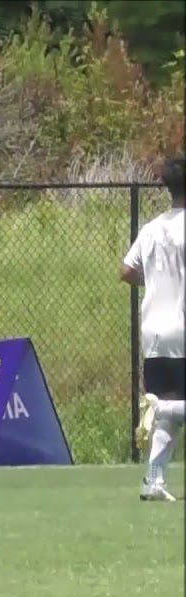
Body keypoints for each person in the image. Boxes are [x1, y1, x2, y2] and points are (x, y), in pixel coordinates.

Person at [121, 154, 185, 502]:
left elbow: (126, 270)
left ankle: (153, 481)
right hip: (183, 328)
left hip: (155, 331)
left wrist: (157, 281)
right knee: (170, 409)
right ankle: (164, 408)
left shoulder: (152, 228)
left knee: (168, 413)